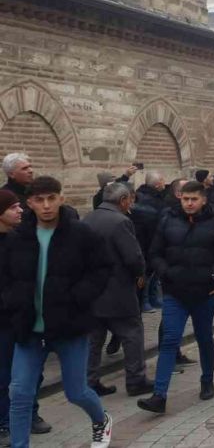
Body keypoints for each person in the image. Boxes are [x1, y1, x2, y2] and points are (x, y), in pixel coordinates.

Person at [1, 177, 112, 447]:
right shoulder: (17, 239)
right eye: (39, 200)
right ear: (30, 204)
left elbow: (102, 269)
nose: (46, 205)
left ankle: (101, 420)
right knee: (20, 393)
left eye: (52, 198)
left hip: (69, 327)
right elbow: (6, 277)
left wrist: (78, 297)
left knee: (77, 392)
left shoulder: (81, 234)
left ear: (61, 198)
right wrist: (13, 301)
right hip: (28, 329)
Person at [137, 181, 214, 414]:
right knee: (169, 340)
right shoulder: (167, 221)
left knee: (204, 337)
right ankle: (159, 395)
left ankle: (207, 380)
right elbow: (154, 253)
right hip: (174, 293)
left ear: (203, 200)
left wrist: (213, 274)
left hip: (205, 293)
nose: (189, 203)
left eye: (193, 199)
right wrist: (165, 272)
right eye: (185, 199)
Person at [83, 183, 155, 398]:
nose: (131, 204)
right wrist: (140, 274)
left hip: (92, 291)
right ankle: (135, 379)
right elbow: (133, 256)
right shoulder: (121, 221)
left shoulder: (88, 218)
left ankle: (89, 381)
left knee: (94, 340)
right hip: (118, 290)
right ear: (124, 200)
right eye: (130, 200)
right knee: (132, 334)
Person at [0, 191, 51, 445]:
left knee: (32, 372)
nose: (20, 211)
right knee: (4, 375)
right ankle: (5, 423)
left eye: (20, 206)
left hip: (27, 317)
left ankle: (30, 413)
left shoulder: (22, 238)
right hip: (4, 321)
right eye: (13, 207)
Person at [130, 171, 168, 312]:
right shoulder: (145, 198)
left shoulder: (157, 196)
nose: (165, 183)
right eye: (163, 181)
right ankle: (144, 300)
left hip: (155, 237)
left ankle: (153, 297)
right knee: (145, 270)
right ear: (157, 184)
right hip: (146, 238)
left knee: (154, 270)